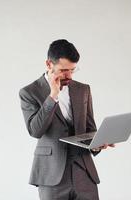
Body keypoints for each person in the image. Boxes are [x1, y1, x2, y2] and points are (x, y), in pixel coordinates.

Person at [19, 39, 114, 200]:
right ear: (49, 64)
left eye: (72, 70)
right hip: (51, 175)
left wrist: (98, 143)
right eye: (63, 70)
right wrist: (52, 96)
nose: (69, 75)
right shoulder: (29, 92)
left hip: (84, 173)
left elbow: (90, 129)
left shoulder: (83, 89)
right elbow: (35, 131)